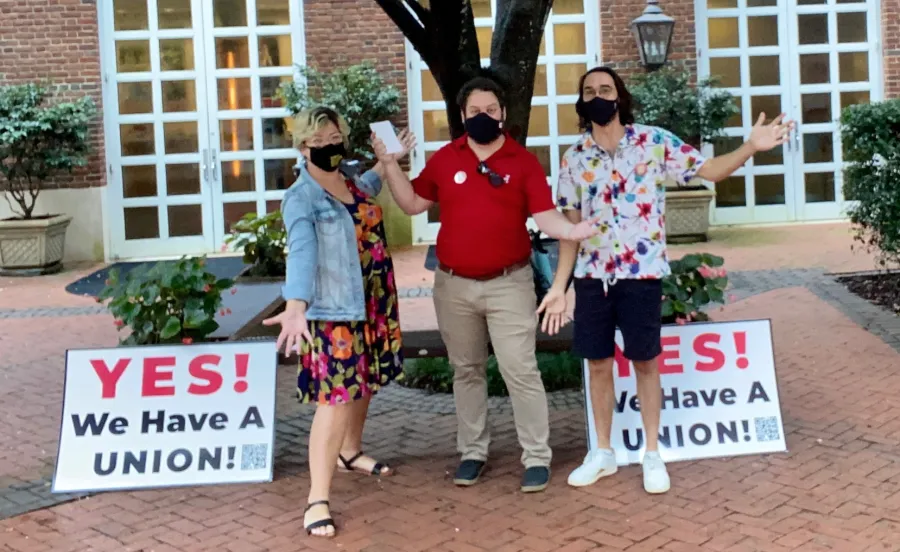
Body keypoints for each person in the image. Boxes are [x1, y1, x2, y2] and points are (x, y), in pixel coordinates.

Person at [537, 66, 793, 493]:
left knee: (645, 362)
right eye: (589, 91)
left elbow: (708, 171)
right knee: (598, 364)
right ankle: (603, 453)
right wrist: (559, 288)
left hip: (641, 275)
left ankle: (652, 453)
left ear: (619, 96)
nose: (598, 96)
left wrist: (750, 146)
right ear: (581, 103)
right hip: (593, 277)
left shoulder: (653, 142)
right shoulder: (574, 158)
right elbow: (569, 230)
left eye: (605, 88)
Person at [373, 75, 601, 494]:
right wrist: (390, 164)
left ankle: (536, 456)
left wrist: (572, 231)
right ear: (462, 116)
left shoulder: (522, 161)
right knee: (467, 370)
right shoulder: (446, 158)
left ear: (504, 114)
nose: (483, 117)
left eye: (491, 111)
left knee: (521, 370)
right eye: (475, 111)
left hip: (509, 284)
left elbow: (546, 215)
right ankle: (472, 452)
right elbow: (412, 203)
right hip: (453, 285)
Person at [262, 106, 414, 538]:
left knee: (366, 381)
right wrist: (296, 304)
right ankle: (317, 499)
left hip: (374, 300)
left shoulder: (350, 182)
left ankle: (350, 451)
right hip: (335, 314)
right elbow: (302, 251)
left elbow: (369, 185)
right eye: (319, 142)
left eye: (335, 139)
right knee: (335, 399)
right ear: (302, 146)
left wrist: (388, 162)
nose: (330, 147)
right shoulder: (301, 197)